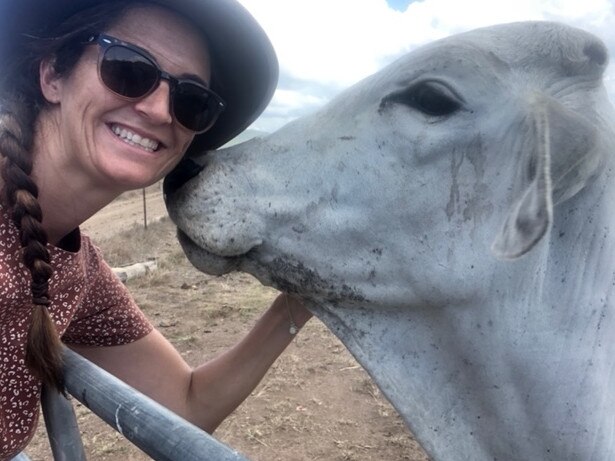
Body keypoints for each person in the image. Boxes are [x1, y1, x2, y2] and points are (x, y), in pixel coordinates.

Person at [0, 0, 312, 459]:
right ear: (52, 76)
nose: (162, 110)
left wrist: (300, 300)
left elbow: (186, 404)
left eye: (192, 101)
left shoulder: (75, 269)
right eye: (128, 67)